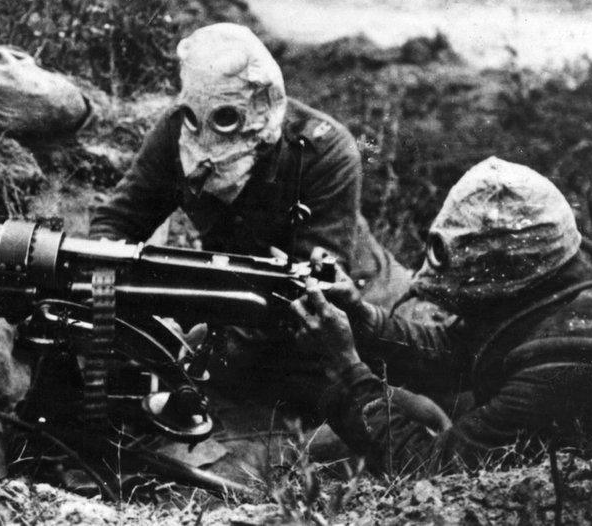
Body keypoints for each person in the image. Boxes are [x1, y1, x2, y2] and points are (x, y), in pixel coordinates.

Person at [88, 23, 415, 417]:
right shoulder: (178, 132)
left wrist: (196, 342)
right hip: (241, 301)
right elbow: (118, 220)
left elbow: (312, 295)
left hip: (357, 307)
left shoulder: (325, 151)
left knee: (383, 411)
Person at [291, 157, 592, 474]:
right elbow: (459, 349)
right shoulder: (559, 266)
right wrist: (364, 321)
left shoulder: (574, 358)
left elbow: (431, 469)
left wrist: (348, 372)